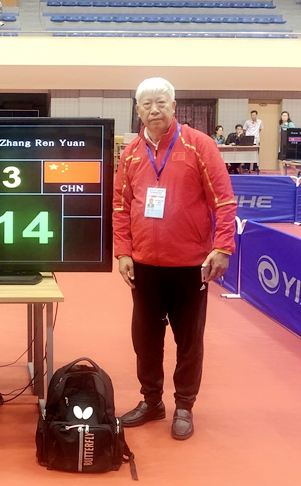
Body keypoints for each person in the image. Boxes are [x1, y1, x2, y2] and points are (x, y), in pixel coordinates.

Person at [113, 77, 236, 441]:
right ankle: (152, 401)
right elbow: (121, 207)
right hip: (145, 266)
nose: (154, 110)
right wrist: (123, 251)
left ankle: (184, 405)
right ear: (138, 110)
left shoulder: (200, 145)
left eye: (161, 103)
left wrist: (222, 247)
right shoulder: (131, 153)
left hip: (190, 266)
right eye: (147, 104)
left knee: (189, 341)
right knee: (145, 340)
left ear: (174, 106)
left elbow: (224, 201)